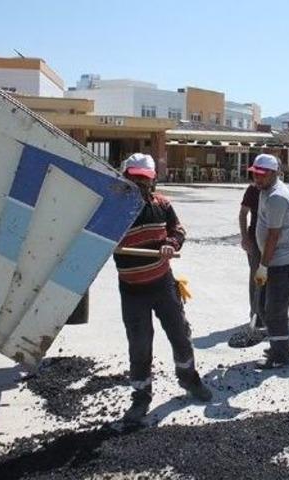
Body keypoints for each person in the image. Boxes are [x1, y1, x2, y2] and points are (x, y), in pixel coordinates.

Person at [113, 153, 213, 425]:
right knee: (140, 344)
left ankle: (189, 380)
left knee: (180, 334)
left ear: (152, 179)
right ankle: (141, 397)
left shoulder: (162, 205)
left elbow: (178, 230)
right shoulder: (113, 209)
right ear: (125, 176)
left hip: (162, 283)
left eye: (143, 178)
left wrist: (171, 243)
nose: (138, 183)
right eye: (133, 177)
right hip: (132, 289)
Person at [249, 154, 289, 369]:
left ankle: (280, 357)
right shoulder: (264, 190)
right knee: (263, 307)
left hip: (282, 261)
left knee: (275, 310)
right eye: (255, 174)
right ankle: (276, 344)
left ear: (274, 174)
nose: (257, 178)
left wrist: (263, 266)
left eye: (261, 175)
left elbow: (273, 236)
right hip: (273, 259)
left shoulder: (277, 197)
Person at [228, 181, 266, 347]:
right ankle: (256, 314)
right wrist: (244, 238)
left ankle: (268, 316)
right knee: (257, 278)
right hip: (255, 241)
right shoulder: (252, 190)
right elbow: (243, 213)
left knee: (273, 280)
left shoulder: (277, 191)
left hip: (274, 240)